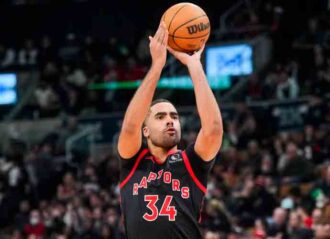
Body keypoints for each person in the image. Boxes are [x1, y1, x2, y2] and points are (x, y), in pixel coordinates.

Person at [117, 21, 223, 239]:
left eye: (174, 116)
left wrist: (195, 66)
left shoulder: (191, 163)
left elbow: (212, 130)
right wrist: (157, 66)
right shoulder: (133, 161)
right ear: (145, 131)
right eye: (160, 116)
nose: (170, 121)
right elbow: (129, 127)